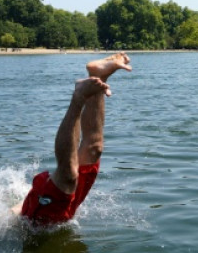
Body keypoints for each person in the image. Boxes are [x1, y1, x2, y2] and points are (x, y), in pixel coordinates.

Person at [12, 52, 132, 225]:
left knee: (69, 175)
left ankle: (81, 95)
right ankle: (97, 75)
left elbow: (18, 210)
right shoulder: (15, 221)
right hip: (54, 212)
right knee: (94, 148)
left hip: (44, 216)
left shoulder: (28, 216)